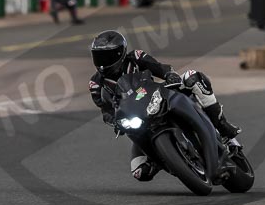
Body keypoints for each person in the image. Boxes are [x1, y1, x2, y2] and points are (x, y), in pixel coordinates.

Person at [88, 30, 240, 182]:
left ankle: (222, 126)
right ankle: (164, 158)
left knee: (193, 77)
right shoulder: (96, 83)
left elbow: (159, 67)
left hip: (158, 96)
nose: (102, 62)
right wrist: (114, 121)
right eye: (98, 56)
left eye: (107, 56)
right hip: (138, 118)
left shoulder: (135, 57)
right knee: (140, 172)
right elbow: (105, 110)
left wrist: (169, 75)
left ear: (120, 53)